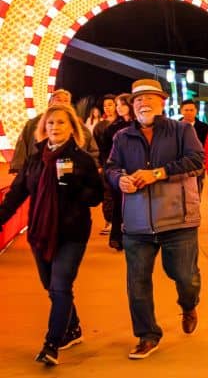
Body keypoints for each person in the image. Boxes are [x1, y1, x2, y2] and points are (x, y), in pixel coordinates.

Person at [106, 79, 205, 360]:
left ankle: (188, 305)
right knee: (137, 283)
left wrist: (158, 173)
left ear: (162, 102)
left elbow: (197, 160)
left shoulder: (181, 130)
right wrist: (120, 179)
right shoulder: (122, 137)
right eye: (138, 100)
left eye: (150, 98)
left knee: (185, 276)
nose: (144, 103)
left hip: (179, 219)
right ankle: (147, 335)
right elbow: (110, 168)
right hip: (137, 222)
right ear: (131, 106)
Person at [0, 104, 103, 366]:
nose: (54, 128)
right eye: (50, 123)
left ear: (72, 128)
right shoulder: (35, 159)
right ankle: (73, 327)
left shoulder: (81, 160)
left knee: (60, 286)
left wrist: (73, 187)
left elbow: (96, 196)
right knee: (52, 287)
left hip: (72, 233)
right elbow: (17, 193)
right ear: (43, 128)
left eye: (60, 123)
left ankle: (51, 344)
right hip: (40, 232)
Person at [10, 89, 100, 173]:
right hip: (38, 169)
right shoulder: (33, 123)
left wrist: (89, 167)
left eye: (66, 101)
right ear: (50, 103)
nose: (62, 103)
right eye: (58, 99)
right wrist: (18, 168)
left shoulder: (78, 125)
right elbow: (22, 146)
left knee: (64, 184)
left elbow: (92, 150)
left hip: (69, 168)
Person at [105, 94, 134, 250]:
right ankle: (116, 237)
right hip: (117, 171)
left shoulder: (138, 125)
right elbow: (106, 152)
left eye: (122, 104)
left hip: (135, 170)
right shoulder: (112, 128)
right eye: (117, 105)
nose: (119, 108)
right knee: (118, 204)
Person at [93, 93, 118, 235]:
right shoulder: (99, 126)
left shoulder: (123, 124)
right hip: (106, 164)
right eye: (105, 106)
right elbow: (95, 147)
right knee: (107, 194)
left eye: (110, 105)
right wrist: (98, 165)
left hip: (123, 164)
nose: (107, 108)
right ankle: (109, 221)